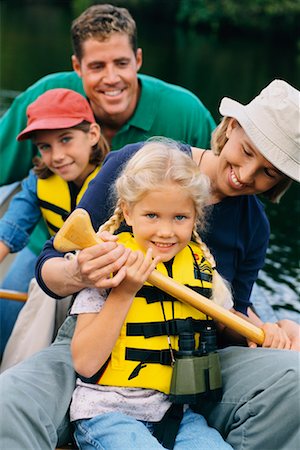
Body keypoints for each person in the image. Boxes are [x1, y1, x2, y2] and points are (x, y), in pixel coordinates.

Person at [1, 80, 299, 449]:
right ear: (231, 128)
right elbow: (49, 263)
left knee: (295, 378)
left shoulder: (255, 226)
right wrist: (77, 271)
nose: (248, 174)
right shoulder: (139, 163)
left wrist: (271, 331)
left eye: (269, 172)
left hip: (191, 364)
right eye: (247, 151)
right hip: (97, 353)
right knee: (8, 404)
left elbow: (227, 320)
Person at [0, 3, 215, 308]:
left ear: (138, 60)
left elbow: (226, 190)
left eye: (121, 63)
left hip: (155, 252)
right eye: (97, 66)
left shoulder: (186, 113)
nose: (111, 78)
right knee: (8, 313)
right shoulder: (44, 100)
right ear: (78, 66)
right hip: (48, 249)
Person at [70, 141, 233, 449]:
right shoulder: (109, 263)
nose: (166, 231)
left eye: (180, 218)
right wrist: (125, 292)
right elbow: (86, 363)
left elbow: (222, 326)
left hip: (177, 415)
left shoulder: (202, 268)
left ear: (196, 217)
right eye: (152, 215)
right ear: (128, 213)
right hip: (108, 413)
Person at [0, 88, 109, 359]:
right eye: (45, 146)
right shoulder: (39, 182)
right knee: (28, 294)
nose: (57, 155)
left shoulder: (115, 177)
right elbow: (11, 228)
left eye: (66, 139)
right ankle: (14, 372)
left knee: (43, 289)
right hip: (61, 272)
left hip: (107, 277)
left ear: (92, 135)